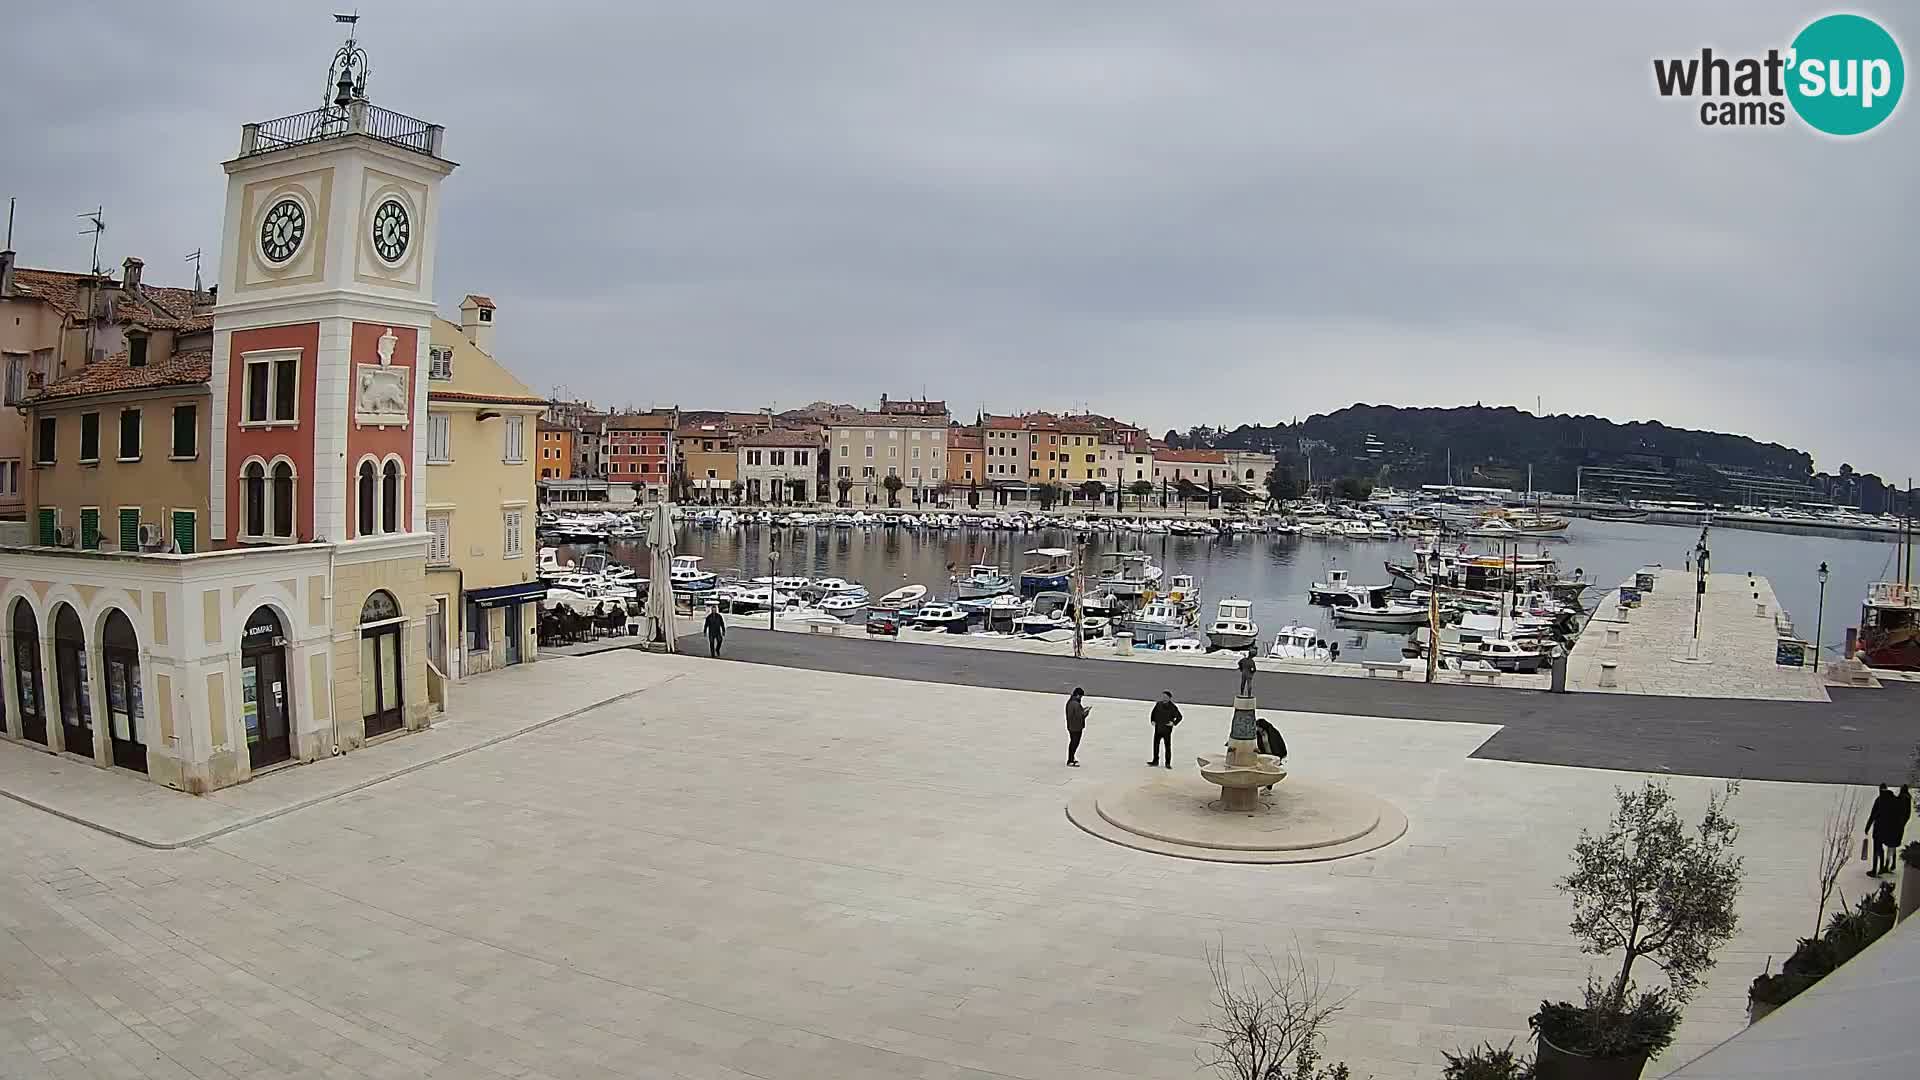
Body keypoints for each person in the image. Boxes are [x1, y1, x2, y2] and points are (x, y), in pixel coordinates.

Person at [1865, 784, 1899, 875]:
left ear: (1880, 790)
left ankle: (1875, 869)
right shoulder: (1893, 799)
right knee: (1883, 849)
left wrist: (1867, 827)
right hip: (1889, 830)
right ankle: (1882, 868)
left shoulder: (1879, 800)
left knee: (1877, 848)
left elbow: (1873, 815)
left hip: (1878, 829)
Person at [1148, 691, 1182, 768]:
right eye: (1163, 696)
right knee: (1156, 745)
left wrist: (1173, 723)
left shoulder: (1173, 707)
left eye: (1166, 697)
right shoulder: (1158, 704)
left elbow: (1179, 717)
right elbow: (1153, 713)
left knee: (1167, 747)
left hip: (1167, 730)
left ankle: (1167, 763)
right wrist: (1152, 720)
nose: (1164, 698)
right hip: (1158, 729)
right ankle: (1155, 761)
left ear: (1169, 698)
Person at [1254, 716, 1287, 793]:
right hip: (1267, 754)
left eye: (1258, 727)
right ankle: (1268, 787)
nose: (1257, 729)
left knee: (1272, 771)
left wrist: (1282, 755)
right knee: (1267, 770)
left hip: (1275, 754)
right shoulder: (1259, 734)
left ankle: (1268, 788)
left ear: (1262, 727)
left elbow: (1280, 743)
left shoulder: (1273, 732)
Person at [1065, 688, 1090, 767]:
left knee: (1073, 742)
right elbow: (1080, 716)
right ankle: (1070, 760)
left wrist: (1082, 710)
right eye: (1081, 696)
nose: (1081, 698)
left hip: (1071, 725)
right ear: (1078, 695)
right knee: (1074, 743)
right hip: (1076, 727)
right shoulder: (1075, 704)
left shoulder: (1070, 702)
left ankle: (1071, 759)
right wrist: (1086, 712)